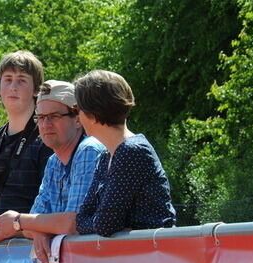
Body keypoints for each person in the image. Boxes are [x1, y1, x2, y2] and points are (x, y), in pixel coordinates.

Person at [9, 70, 176, 241]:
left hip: (153, 259)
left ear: (93, 114)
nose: (78, 117)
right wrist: (89, 222)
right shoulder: (107, 155)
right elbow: (86, 215)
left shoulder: (131, 151)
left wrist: (88, 222)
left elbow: (104, 224)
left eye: (78, 109)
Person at [0, 80, 106, 255]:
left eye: (54, 116)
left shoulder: (89, 150)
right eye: (40, 117)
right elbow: (34, 222)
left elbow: (74, 222)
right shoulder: (54, 162)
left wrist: (22, 221)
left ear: (78, 119)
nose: (45, 124)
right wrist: (38, 228)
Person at [0, 51, 53, 218]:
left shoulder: (46, 134)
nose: (13, 87)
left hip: (33, 235)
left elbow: (51, 199)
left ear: (36, 90)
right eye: (7, 80)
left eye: (21, 80)